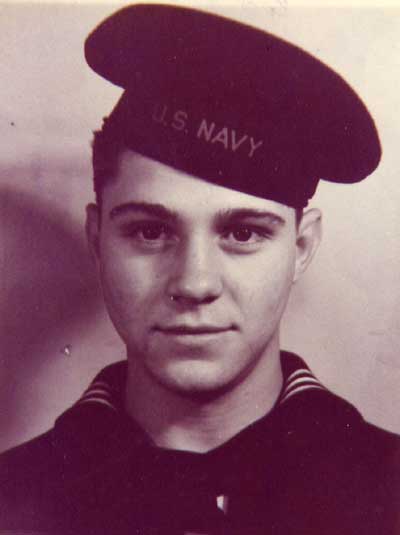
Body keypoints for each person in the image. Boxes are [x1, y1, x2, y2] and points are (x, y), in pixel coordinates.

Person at [0, 4, 399, 534]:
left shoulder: (388, 492)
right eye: (149, 232)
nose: (194, 283)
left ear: (301, 248)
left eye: (243, 234)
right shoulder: (13, 501)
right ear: (98, 241)